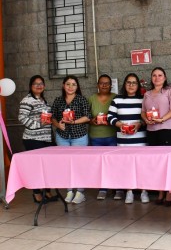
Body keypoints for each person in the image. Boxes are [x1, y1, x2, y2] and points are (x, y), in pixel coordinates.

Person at [141, 67, 171, 207]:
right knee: (157, 163)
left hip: (167, 129)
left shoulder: (170, 90)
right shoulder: (147, 94)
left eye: (160, 75)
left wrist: (162, 119)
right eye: (154, 75)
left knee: (169, 163)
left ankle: (169, 192)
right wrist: (146, 120)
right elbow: (143, 112)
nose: (157, 78)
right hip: (152, 130)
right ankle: (160, 192)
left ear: (165, 77)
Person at [51, 75, 91, 204]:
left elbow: (88, 117)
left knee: (79, 164)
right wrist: (58, 125)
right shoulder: (58, 100)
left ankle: (80, 192)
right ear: (63, 85)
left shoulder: (81, 99)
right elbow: (52, 117)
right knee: (66, 164)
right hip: (62, 136)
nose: (70, 87)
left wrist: (73, 122)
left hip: (79, 136)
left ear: (77, 86)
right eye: (68, 84)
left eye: (74, 84)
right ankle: (69, 191)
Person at [108, 73, 147, 204]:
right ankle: (129, 192)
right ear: (124, 85)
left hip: (140, 139)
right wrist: (120, 124)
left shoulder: (143, 99)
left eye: (134, 83)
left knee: (142, 166)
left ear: (138, 85)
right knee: (126, 166)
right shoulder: (117, 100)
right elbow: (110, 117)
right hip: (123, 140)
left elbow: (147, 117)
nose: (131, 85)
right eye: (128, 82)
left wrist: (140, 123)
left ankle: (143, 191)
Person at [18, 75, 57, 203]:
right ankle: (36, 193)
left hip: (46, 138)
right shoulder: (27, 100)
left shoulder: (43, 100)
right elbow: (22, 118)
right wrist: (38, 125)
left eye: (41, 83)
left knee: (48, 166)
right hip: (33, 139)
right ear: (30, 86)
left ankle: (47, 192)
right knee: (36, 167)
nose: (39, 86)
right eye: (36, 84)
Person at [88, 74, 118, 200]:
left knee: (114, 163)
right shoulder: (92, 99)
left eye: (107, 83)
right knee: (100, 165)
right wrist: (92, 121)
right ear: (97, 85)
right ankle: (103, 188)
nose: (104, 85)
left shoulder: (116, 98)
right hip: (96, 137)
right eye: (102, 83)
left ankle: (118, 189)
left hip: (113, 135)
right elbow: (86, 117)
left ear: (111, 85)